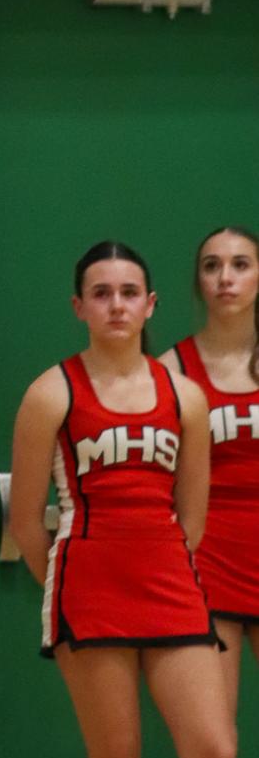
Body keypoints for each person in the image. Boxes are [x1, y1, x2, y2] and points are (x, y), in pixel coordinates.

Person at [10, 240, 236, 758]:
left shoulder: (185, 395)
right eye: (102, 294)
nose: (116, 305)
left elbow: (192, 516)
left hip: (171, 587)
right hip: (90, 590)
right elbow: (28, 521)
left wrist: (161, 560)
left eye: (129, 293)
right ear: (78, 306)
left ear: (151, 304)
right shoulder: (50, 393)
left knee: (216, 754)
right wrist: (66, 582)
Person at [163, 227, 259, 720]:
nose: (226, 278)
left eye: (241, 264)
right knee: (214, 746)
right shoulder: (171, 372)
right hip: (208, 567)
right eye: (212, 266)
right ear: (198, 281)